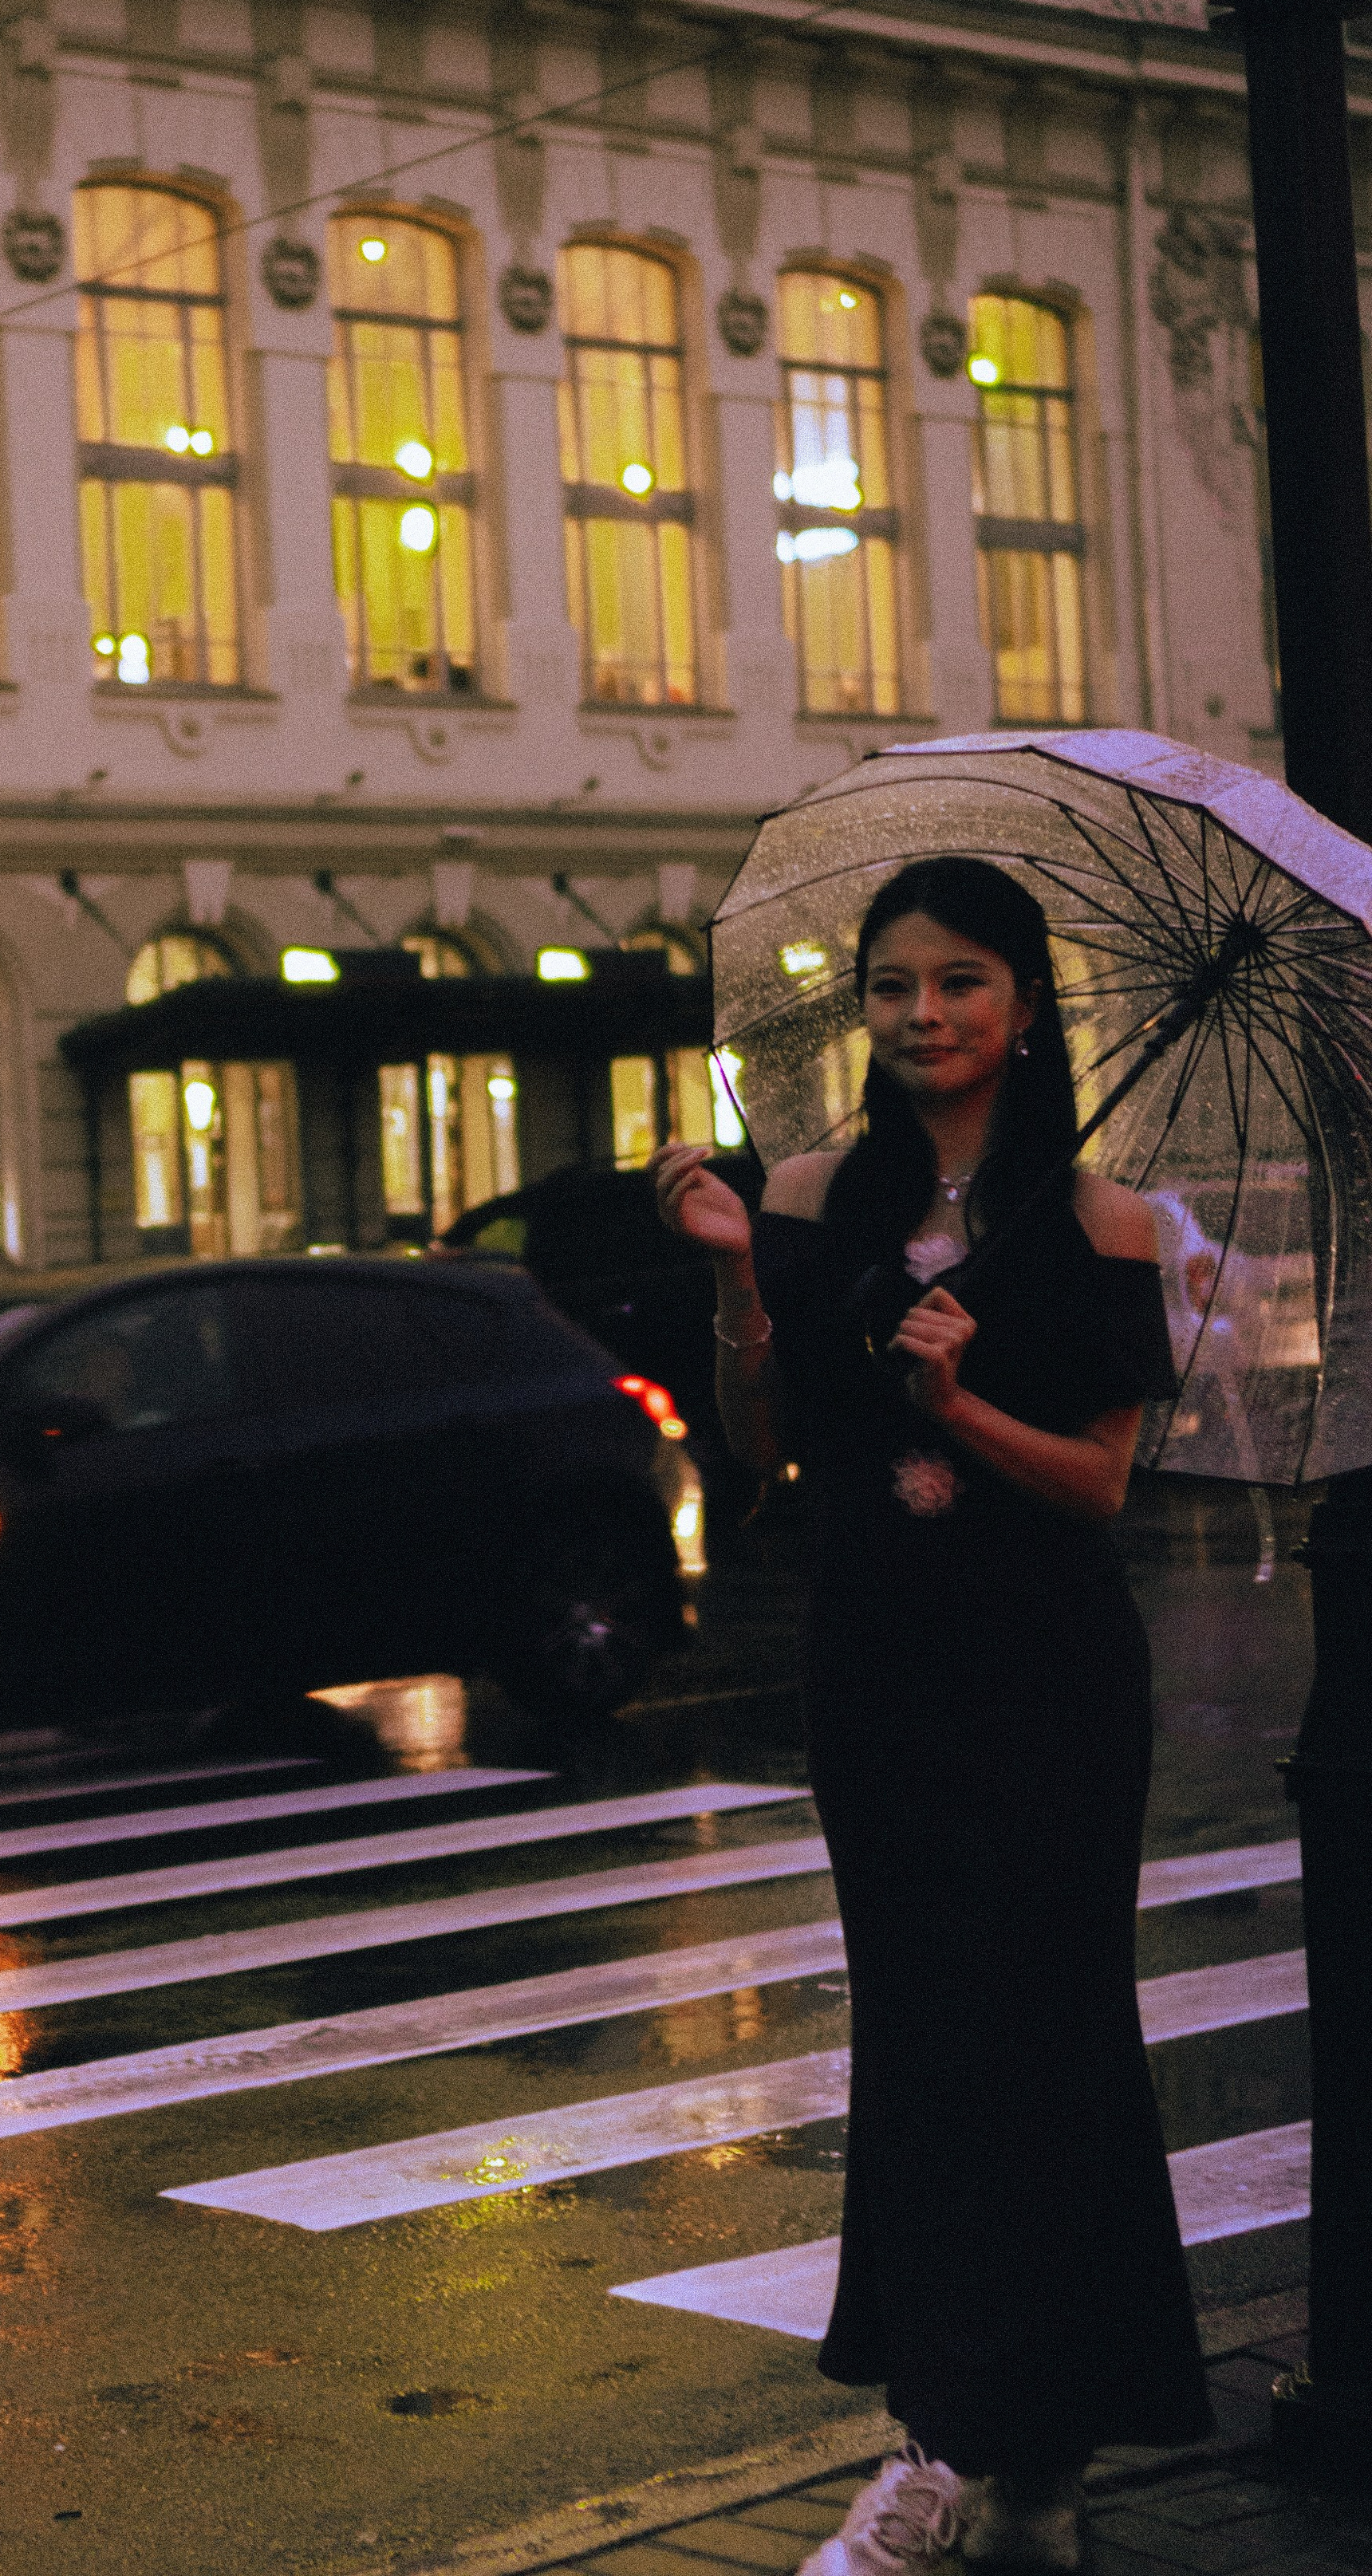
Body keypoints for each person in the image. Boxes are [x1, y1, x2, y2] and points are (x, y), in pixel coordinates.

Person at [656, 856, 1209, 2576]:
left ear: (1025, 1008)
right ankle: (943, 2443)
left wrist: (952, 1399)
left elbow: (1095, 1487)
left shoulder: (1103, 1222)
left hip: (1041, 1678)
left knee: (1044, 2050)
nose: (919, 1017)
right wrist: (747, 1283)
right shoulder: (811, 1193)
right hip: (877, 1667)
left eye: (957, 984)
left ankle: (1017, 2470)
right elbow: (760, 1450)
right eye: (890, 987)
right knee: (917, 2047)